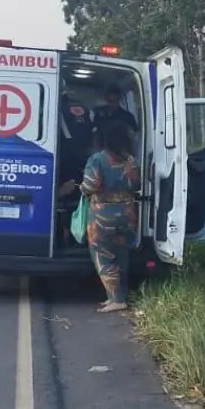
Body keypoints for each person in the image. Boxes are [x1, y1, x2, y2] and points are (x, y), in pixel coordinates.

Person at [62, 120, 141, 312]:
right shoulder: (131, 160)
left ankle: (116, 299)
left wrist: (79, 187)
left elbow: (90, 185)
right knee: (122, 255)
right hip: (128, 214)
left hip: (103, 216)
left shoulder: (98, 160)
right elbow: (136, 185)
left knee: (103, 256)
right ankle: (119, 295)